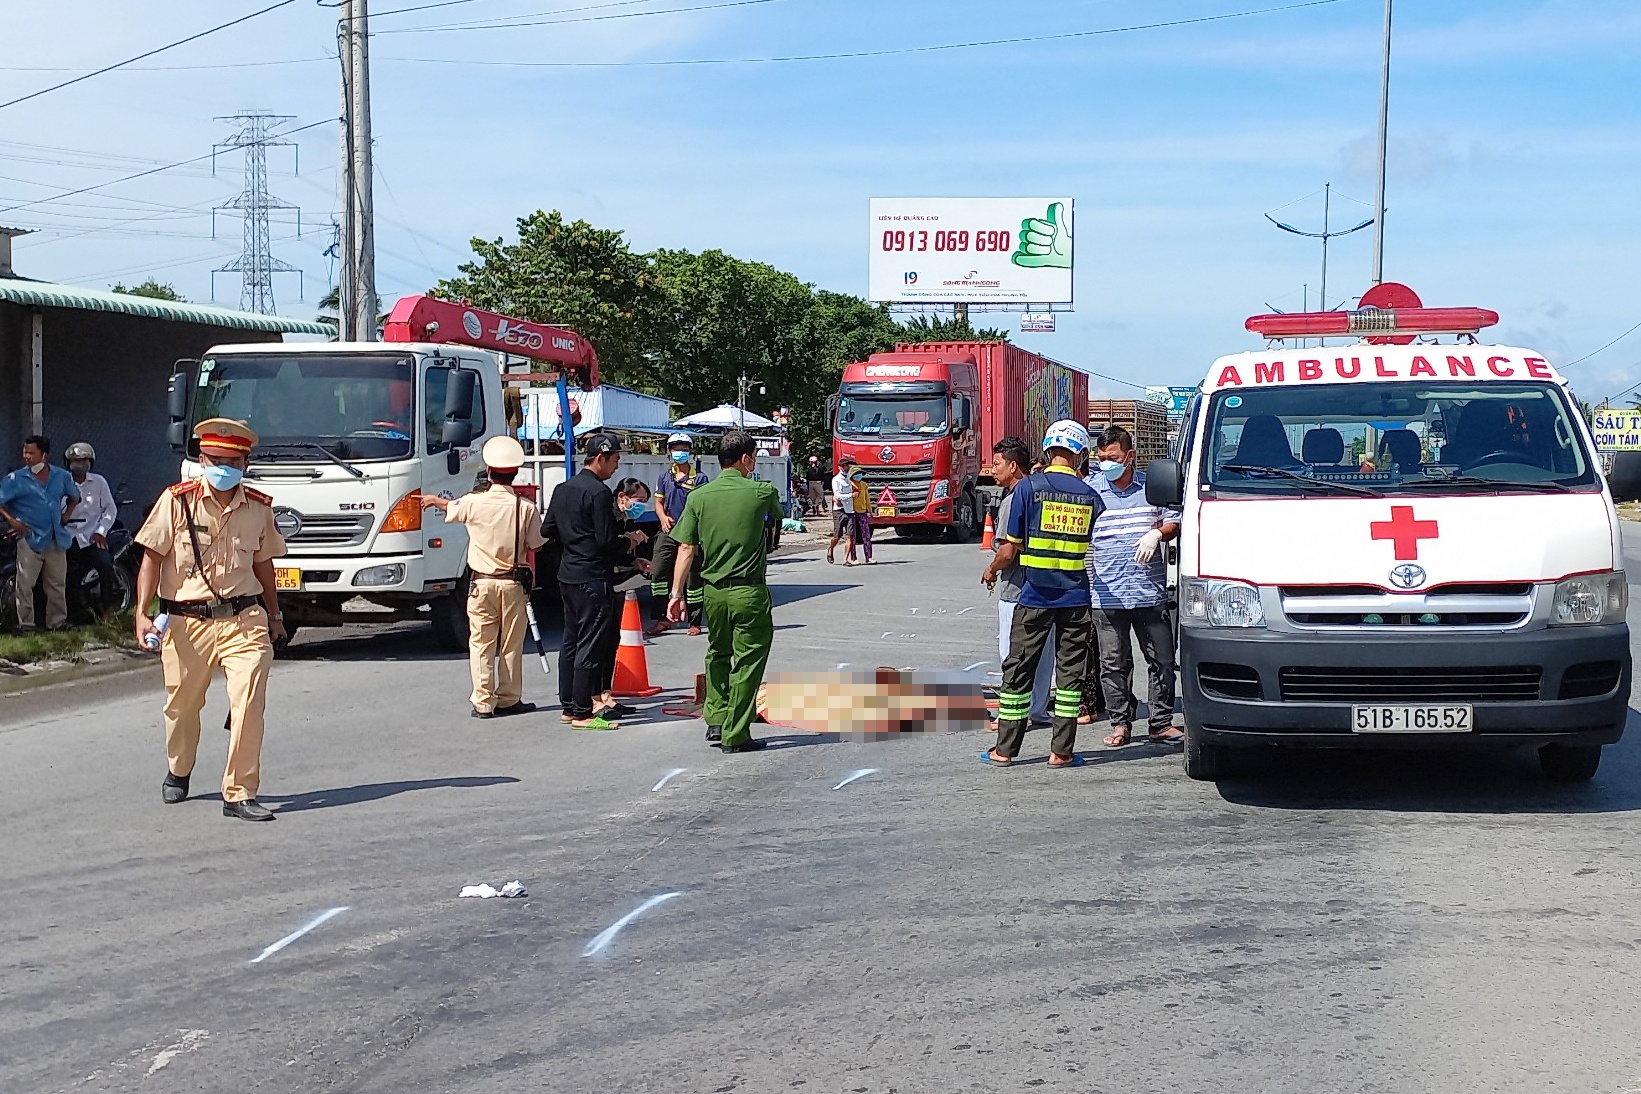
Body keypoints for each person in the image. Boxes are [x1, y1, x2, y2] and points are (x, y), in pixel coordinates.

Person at [133, 418, 286, 821]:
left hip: (244, 618)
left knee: (249, 701)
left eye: (232, 461)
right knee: (182, 707)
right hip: (186, 622)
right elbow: (151, 559)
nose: (224, 467)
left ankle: (239, 793)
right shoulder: (176, 501)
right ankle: (179, 768)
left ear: (245, 463)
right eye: (215, 459)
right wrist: (141, 615)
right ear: (201, 459)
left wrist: (274, 615)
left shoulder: (258, 507)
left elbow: (264, 565)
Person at [981, 420, 1101, 768]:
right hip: (1076, 597)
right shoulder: (1090, 495)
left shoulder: (1028, 489)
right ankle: (1061, 751)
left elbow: (1011, 546)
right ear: (1080, 454)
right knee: (1068, 678)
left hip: (1033, 596)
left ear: (1048, 450)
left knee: (1018, 672)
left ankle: (1005, 750)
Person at [668, 430, 784, 753]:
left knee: (717, 653)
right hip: (748, 591)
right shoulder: (761, 490)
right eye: (754, 457)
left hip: (712, 593)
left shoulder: (698, 497)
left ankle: (716, 719)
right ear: (746, 459)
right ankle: (736, 732)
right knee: (748, 659)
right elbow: (777, 515)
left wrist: (676, 594)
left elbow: (686, 549)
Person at [421, 435, 546, 721]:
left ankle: (483, 702)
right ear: (514, 473)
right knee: (511, 644)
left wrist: (434, 500)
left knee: (480, 643)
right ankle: (509, 698)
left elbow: (452, 508)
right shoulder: (524, 508)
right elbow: (536, 543)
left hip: (480, 584)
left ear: (489, 472)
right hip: (512, 583)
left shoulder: (474, 503)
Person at [1085, 426, 1182, 747]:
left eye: (1112, 458)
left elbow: (1175, 520)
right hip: (1106, 594)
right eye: (1101, 458)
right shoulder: (1091, 490)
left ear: (1130, 457)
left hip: (1149, 593)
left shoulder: (1151, 487)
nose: (1105, 464)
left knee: (1162, 661)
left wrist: (1158, 534)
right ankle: (1120, 724)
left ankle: (1160, 723)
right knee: (1113, 665)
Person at [543, 434, 646, 730]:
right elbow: (605, 541)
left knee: (571, 640)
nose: (616, 468)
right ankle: (582, 711)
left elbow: (548, 529)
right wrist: (628, 541)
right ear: (600, 458)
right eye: (614, 461)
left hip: (567, 574)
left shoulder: (563, 489)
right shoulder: (599, 493)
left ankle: (567, 704)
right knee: (591, 643)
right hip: (592, 576)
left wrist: (573, 538)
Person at [979, 437, 1053, 727]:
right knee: (1043, 654)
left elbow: (1007, 551)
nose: (992, 469)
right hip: (1044, 587)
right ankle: (1036, 709)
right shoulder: (1039, 493)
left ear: (1013, 465)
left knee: (1011, 654)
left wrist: (992, 568)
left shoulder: (1014, 499)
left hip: (1016, 590)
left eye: (997, 464)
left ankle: (1012, 714)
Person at [0, 435, 80, 631]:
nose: (26, 456)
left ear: (44, 455)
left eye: (31, 452)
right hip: (30, 538)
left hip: (55, 538)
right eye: (25, 452)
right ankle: (26, 624)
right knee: (25, 585)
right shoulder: (16, 479)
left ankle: (57, 622)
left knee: (56, 584)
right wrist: (12, 521)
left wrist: (66, 515)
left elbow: (74, 497)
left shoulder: (61, 476)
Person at [593, 477, 654, 720]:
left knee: (612, 642)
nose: (641, 507)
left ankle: (607, 694)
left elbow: (618, 555)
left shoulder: (623, 519)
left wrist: (634, 561)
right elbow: (607, 547)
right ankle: (594, 698)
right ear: (622, 497)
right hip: (597, 582)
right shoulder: (608, 516)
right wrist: (629, 540)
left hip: (613, 584)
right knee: (599, 642)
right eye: (638, 501)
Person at [647, 432, 707, 637]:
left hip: (691, 532)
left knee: (693, 578)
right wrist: (662, 517)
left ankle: (695, 621)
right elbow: (658, 502)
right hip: (669, 530)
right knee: (658, 572)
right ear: (669, 452)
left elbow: (702, 506)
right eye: (675, 448)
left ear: (690, 451)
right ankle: (662, 619)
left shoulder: (699, 478)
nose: (679, 452)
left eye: (683, 448)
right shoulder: (664, 477)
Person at [63, 442, 119, 619]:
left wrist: (101, 532)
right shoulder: (61, 482)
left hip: (91, 537)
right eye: (75, 460)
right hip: (68, 536)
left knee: (105, 565)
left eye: (83, 460)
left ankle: (107, 610)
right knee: (66, 574)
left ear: (90, 462)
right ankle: (72, 613)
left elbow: (110, 510)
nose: (79, 463)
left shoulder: (99, 482)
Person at [827, 455, 857, 565]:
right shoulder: (836, 480)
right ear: (840, 467)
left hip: (850, 510)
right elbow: (838, 495)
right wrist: (851, 495)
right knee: (837, 536)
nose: (846, 468)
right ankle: (831, 549)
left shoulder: (849, 479)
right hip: (839, 510)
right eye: (844, 466)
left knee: (850, 535)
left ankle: (845, 559)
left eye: (847, 465)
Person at [845, 462, 874, 565]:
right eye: (856, 474)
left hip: (863, 512)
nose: (859, 476)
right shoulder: (849, 485)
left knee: (866, 536)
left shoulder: (863, 485)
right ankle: (853, 558)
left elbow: (867, 499)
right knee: (853, 536)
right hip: (852, 513)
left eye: (860, 474)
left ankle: (868, 557)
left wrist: (870, 511)